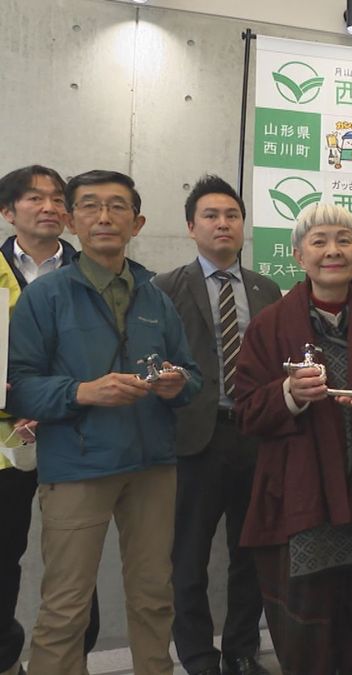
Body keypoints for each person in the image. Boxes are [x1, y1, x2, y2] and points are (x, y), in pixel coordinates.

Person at [7, 170, 202, 675]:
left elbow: (194, 374)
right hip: (76, 464)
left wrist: (179, 383)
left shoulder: (156, 294)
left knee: (154, 597)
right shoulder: (45, 297)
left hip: (153, 465)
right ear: (71, 221)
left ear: (137, 223)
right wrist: (81, 391)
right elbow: (20, 385)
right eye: (90, 206)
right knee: (66, 607)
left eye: (118, 207)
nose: (105, 217)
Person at [233, 203, 352, 674]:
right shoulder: (270, 325)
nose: (332, 252)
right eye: (318, 242)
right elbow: (246, 410)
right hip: (298, 497)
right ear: (299, 255)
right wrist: (288, 394)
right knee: (305, 631)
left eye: (343, 241)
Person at [153, 175, 281, 675]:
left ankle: (242, 650)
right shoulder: (164, 288)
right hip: (193, 438)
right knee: (188, 558)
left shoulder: (266, 288)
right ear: (191, 226)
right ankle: (198, 656)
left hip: (256, 433)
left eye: (232, 215)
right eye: (211, 215)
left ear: (243, 225)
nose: (223, 223)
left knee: (252, 551)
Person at [0, 165, 90, 675]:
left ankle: (72, 659)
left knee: (76, 560)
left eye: (59, 198)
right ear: (8, 212)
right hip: (5, 442)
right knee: (2, 557)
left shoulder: (96, 270)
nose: (51, 206)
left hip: (76, 434)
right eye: (36, 198)